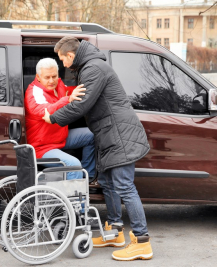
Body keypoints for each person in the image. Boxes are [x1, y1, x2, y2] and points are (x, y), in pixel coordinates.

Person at [42, 37, 153, 261]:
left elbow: (82, 104)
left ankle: (142, 242)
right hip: (109, 135)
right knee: (108, 183)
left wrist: (52, 117)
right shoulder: (90, 67)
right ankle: (114, 232)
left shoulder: (94, 68)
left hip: (119, 136)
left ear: (71, 56)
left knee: (125, 186)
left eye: (62, 59)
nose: (62, 64)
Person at [24, 57, 95, 180]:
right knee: (74, 164)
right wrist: (67, 99)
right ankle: (76, 197)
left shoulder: (59, 85)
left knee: (92, 135)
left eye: (54, 76)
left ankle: (87, 178)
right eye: (47, 77)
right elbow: (45, 110)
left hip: (60, 138)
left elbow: (70, 91)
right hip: (43, 147)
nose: (52, 81)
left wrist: (90, 88)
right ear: (38, 77)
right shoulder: (34, 92)